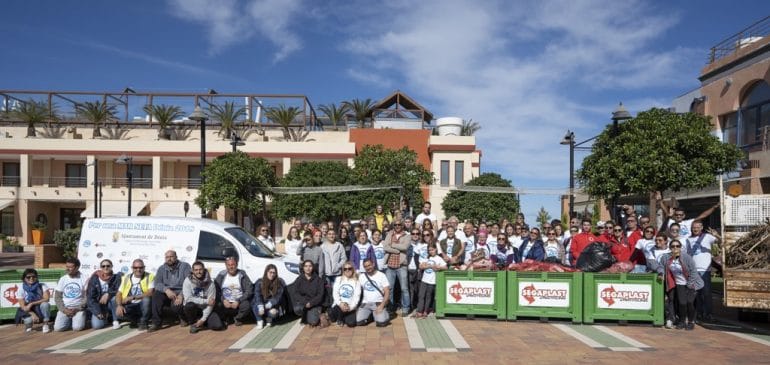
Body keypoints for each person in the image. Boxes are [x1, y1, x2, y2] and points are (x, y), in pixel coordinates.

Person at [652, 240, 703, 330]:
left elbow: (694, 272)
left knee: (689, 302)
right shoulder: (666, 257)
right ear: (670, 248)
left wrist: (689, 285)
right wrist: (661, 273)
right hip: (679, 283)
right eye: (673, 246)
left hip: (692, 283)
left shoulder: (686, 257)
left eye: (677, 246)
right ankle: (682, 322)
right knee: (682, 303)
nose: (675, 248)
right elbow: (661, 266)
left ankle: (691, 322)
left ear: (680, 247)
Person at [150, 250, 191, 332]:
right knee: (156, 295)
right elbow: (157, 283)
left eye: (171, 257)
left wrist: (182, 295)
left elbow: (189, 282)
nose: (169, 259)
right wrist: (166, 290)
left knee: (176, 306)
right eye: (167, 257)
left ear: (176, 257)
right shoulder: (161, 268)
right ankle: (156, 323)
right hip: (167, 292)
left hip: (180, 292)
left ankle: (183, 317)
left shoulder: (185, 266)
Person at [686, 220, 717, 322]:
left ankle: (708, 314)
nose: (695, 229)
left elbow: (722, 242)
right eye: (694, 227)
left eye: (697, 227)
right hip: (693, 271)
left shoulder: (707, 237)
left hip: (705, 270)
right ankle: (698, 313)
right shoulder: (688, 239)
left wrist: (717, 235)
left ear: (701, 227)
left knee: (706, 293)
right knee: (696, 294)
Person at [183, 261, 224, 333]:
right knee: (189, 305)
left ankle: (202, 322)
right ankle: (193, 324)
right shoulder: (187, 281)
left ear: (204, 270)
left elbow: (211, 303)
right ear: (192, 271)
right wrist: (206, 301)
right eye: (196, 270)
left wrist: (203, 319)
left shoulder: (210, 283)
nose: (198, 272)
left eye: (200, 269)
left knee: (217, 326)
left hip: (206, 308)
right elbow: (188, 299)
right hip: (194, 308)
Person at [115, 259, 154, 330]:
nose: (138, 269)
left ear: (144, 268)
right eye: (135, 268)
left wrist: (133, 297)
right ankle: (135, 320)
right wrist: (119, 305)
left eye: (140, 267)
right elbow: (119, 293)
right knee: (118, 314)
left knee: (147, 300)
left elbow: (150, 292)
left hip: (142, 305)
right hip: (130, 304)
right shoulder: (126, 278)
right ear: (132, 268)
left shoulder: (150, 276)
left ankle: (144, 322)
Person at [383, 218, 411, 316]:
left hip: (401, 265)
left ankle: (406, 308)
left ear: (402, 225)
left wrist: (393, 244)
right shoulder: (389, 234)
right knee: (389, 289)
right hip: (390, 265)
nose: (397, 226)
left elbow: (405, 247)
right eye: (395, 225)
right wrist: (396, 250)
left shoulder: (407, 236)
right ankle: (390, 308)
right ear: (393, 226)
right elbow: (385, 247)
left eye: (399, 224)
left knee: (404, 288)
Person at [214, 256, 253, 326]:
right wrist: (223, 300)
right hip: (225, 301)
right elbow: (215, 290)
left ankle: (237, 318)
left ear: (236, 265)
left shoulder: (242, 275)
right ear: (226, 265)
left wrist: (239, 300)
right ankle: (225, 318)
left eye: (233, 265)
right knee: (216, 304)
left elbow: (249, 289)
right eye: (228, 265)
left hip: (238, 301)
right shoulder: (221, 275)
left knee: (247, 305)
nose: (231, 267)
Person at [53, 257, 88, 332]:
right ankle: (69, 320)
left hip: (78, 308)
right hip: (65, 308)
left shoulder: (84, 278)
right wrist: (64, 309)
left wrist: (78, 308)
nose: (67, 269)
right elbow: (57, 297)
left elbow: (87, 297)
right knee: (58, 328)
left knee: (77, 328)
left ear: (77, 268)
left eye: (70, 267)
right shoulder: (63, 279)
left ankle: (79, 319)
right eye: (67, 266)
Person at [87, 259, 122, 330]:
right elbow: (90, 297)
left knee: (114, 298)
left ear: (111, 266)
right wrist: (97, 312)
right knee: (97, 326)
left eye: (108, 266)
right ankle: (106, 317)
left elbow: (119, 290)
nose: (106, 268)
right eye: (103, 266)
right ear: (101, 267)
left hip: (111, 304)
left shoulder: (116, 277)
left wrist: (108, 294)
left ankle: (115, 321)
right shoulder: (94, 278)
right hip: (99, 305)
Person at [414, 243, 447, 318]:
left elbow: (445, 267)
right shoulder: (427, 257)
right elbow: (420, 266)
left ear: (436, 249)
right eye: (429, 250)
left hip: (432, 281)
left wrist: (438, 267)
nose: (431, 251)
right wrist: (426, 266)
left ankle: (426, 311)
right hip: (424, 280)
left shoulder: (439, 258)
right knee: (421, 295)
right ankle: (420, 311)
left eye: (432, 250)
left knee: (428, 296)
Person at [356, 259, 391, 327]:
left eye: (369, 265)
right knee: (359, 322)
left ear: (373, 264)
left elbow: (387, 292)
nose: (368, 268)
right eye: (365, 266)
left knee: (381, 323)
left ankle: (385, 315)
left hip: (378, 303)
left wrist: (382, 306)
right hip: (366, 303)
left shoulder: (381, 275)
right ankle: (372, 315)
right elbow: (356, 290)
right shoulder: (362, 276)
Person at [16, 268, 51, 333]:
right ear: (24, 278)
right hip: (29, 309)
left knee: (45, 304)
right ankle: (28, 326)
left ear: (37, 277)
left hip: (39, 307)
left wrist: (32, 303)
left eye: (33, 276)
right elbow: (23, 306)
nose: (31, 278)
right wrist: (33, 314)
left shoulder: (42, 286)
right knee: (28, 320)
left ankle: (45, 324)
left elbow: (46, 299)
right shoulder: (21, 288)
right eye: (28, 277)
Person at [329, 261, 362, 327]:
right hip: (339, 305)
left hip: (350, 306)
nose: (347, 270)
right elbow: (335, 294)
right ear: (343, 270)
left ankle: (341, 318)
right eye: (345, 269)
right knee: (333, 315)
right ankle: (340, 318)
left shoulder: (357, 282)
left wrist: (350, 307)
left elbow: (357, 297)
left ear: (353, 270)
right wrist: (340, 304)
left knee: (351, 323)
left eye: (349, 268)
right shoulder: (338, 279)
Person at [252, 264, 286, 329]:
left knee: (273, 313)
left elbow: (278, 297)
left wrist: (270, 304)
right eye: (270, 272)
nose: (272, 274)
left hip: (272, 305)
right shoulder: (259, 282)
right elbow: (257, 295)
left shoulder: (279, 282)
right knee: (255, 305)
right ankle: (260, 321)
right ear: (266, 272)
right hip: (261, 303)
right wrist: (261, 306)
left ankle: (269, 318)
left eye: (274, 273)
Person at [294, 260, 325, 327]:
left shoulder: (318, 280)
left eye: (310, 266)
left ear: (313, 267)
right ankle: (306, 314)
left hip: (315, 304)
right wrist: (305, 302)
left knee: (313, 322)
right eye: (306, 266)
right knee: (297, 309)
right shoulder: (299, 279)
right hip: (304, 303)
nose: (308, 268)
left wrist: (311, 303)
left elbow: (320, 295)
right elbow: (296, 293)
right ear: (303, 268)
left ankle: (311, 314)